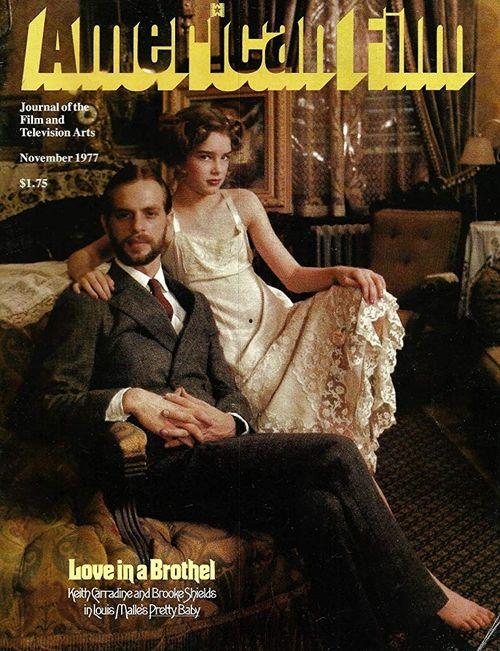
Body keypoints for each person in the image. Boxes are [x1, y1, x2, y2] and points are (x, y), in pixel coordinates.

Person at [38, 164, 493, 650]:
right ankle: (423, 602)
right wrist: (130, 398)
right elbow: (42, 407)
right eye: (124, 216)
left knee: (320, 506)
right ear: (106, 224)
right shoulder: (89, 301)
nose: (138, 227)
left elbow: (230, 391)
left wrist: (231, 422)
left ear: (169, 221)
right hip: (152, 472)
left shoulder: (194, 303)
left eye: (150, 214)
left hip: (216, 461)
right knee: (336, 452)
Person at [68, 106, 405, 470]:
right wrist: (85, 274)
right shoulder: (160, 217)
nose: (218, 169)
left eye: (225, 157)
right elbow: (83, 256)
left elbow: (292, 275)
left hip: (276, 324)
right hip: (226, 348)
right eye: (205, 157)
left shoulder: (242, 203)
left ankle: (349, 464)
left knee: (360, 299)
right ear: (180, 160)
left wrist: (339, 271)